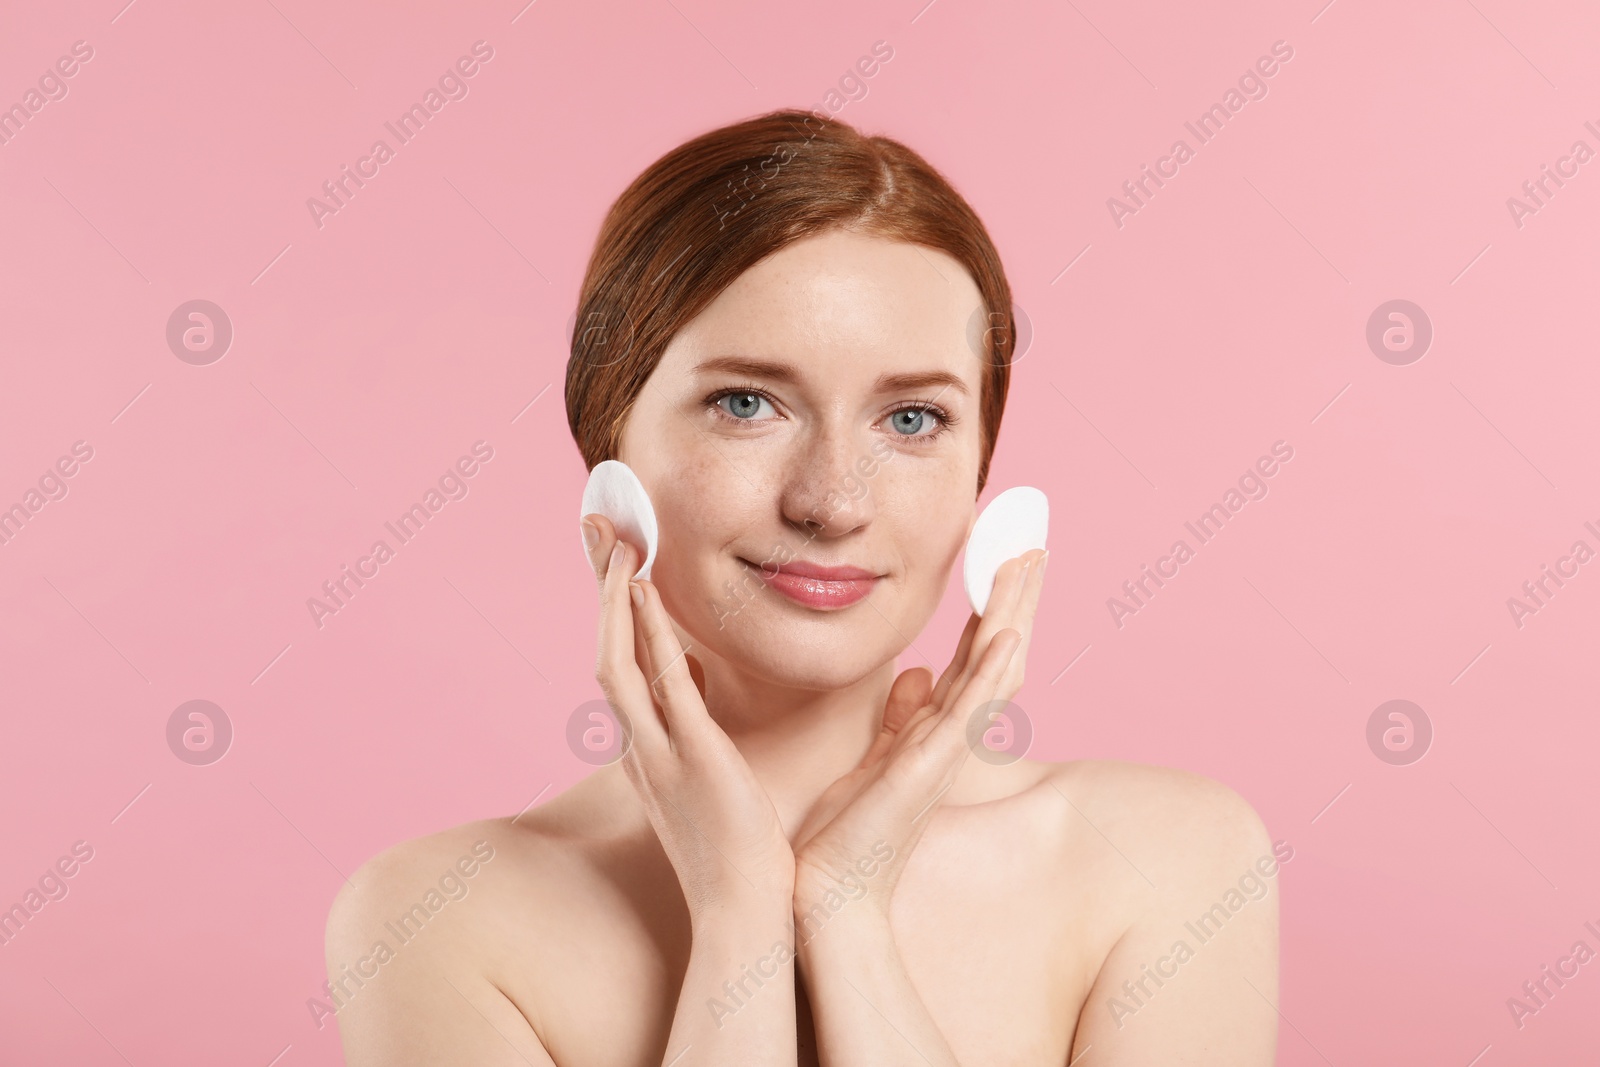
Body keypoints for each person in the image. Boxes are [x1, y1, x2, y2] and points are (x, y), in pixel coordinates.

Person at [325, 108, 1279, 1066]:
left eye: (911, 419)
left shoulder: (1164, 865)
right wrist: (740, 912)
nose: (832, 501)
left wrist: (843, 910)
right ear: (609, 458)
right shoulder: (434, 922)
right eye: (746, 403)